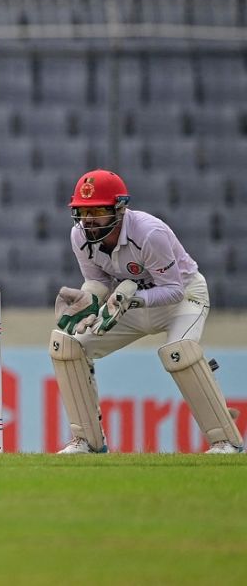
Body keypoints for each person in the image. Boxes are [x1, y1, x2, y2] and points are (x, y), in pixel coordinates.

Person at [50, 168, 243, 454]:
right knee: (66, 346)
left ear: (120, 208)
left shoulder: (150, 233)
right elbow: (100, 281)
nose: (89, 221)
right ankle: (87, 442)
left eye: (98, 211)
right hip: (128, 300)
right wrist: (89, 298)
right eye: (82, 211)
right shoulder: (79, 236)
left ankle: (226, 442)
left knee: (179, 351)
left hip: (182, 298)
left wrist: (134, 299)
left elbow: (174, 289)